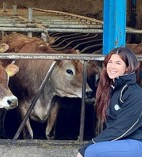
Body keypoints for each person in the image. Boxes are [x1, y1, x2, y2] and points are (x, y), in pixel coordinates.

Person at [77, 47, 142, 157]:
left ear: (127, 67)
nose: (112, 66)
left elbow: (120, 129)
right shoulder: (112, 89)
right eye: (110, 62)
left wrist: (85, 148)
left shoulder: (135, 93)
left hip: (136, 142)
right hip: (122, 141)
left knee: (93, 151)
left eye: (118, 63)